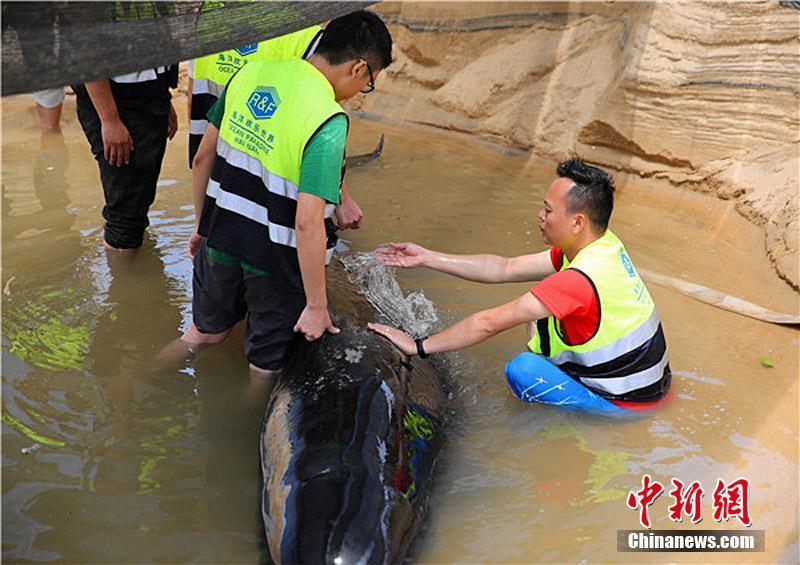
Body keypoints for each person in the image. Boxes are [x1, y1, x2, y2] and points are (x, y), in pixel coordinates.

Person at [171, 11, 392, 390]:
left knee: (200, 336)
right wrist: (317, 307)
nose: (361, 91)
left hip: (220, 237)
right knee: (265, 365)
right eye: (369, 83)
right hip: (275, 261)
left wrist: (200, 227)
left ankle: (135, 379)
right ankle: (238, 438)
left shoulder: (251, 73)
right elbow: (307, 222)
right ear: (359, 68)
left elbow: (201, 158)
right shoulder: (327, 119)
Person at [369, 158, 671, 415]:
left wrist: (417, 346)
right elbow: (505, 267)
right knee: (539, 309)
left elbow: (488, 323)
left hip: (624, 407)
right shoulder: (602, 245)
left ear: (578, 222)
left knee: (522, 370)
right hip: (652, 388)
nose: (540, 217)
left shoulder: (576, 280)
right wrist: (428, 257)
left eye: (548, 210)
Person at [73, 64, 179, 252]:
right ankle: (124, 276)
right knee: (125, 216)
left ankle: (130, 262)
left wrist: (163, 97)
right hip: (119, 105)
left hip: (149, 94)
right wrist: (110, 119)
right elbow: (87, 56)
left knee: (138, 202)